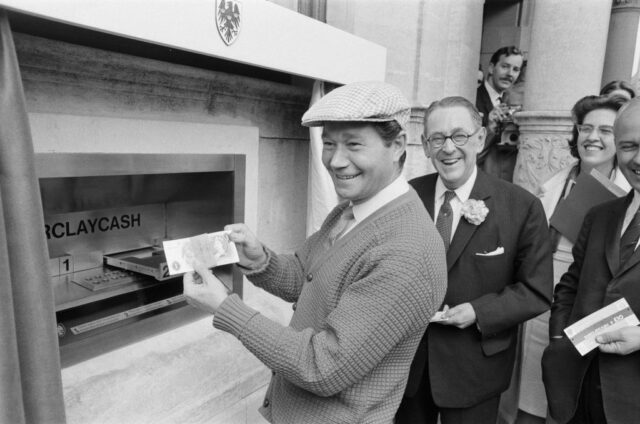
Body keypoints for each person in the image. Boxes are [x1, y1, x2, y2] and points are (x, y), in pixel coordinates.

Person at [183, 81, 448, 424]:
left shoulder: (408, 251)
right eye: (329, 143)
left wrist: (226, 308)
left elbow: (322, 367)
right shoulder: (351, 209)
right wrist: (261, 260)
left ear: (397, 145)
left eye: (353, 144)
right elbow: (308, 278)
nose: (336, 161)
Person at [395, 96, 553, 424]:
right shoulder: (406, 198)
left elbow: (536, 291)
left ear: (480, 139)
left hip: (476, 367)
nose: (448, 148)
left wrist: (479, 312)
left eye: (459, 136)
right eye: (437, 138)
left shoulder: (521, 206)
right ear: (425, 145)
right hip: (409, 366)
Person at [512, 94, 631, 424]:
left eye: (605, 130)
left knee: (568, 401)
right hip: (538, 301)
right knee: (527, 399)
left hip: (587, 311)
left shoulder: (626, 196)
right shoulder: (554, 182)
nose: (593, 137)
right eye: (586, 128)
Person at [542, 96, 640, 424]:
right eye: (629, 146)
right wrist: (558, 340)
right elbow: (570, 285)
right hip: (578, 387)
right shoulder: (600, 214)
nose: (638, 158)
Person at [476, 46, 524, 182]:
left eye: (515, 69)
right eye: (505, 66)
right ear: (491, 68)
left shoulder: (512, 102)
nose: (510, 74)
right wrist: (490, 127)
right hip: (480, 182)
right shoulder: (472, 98)